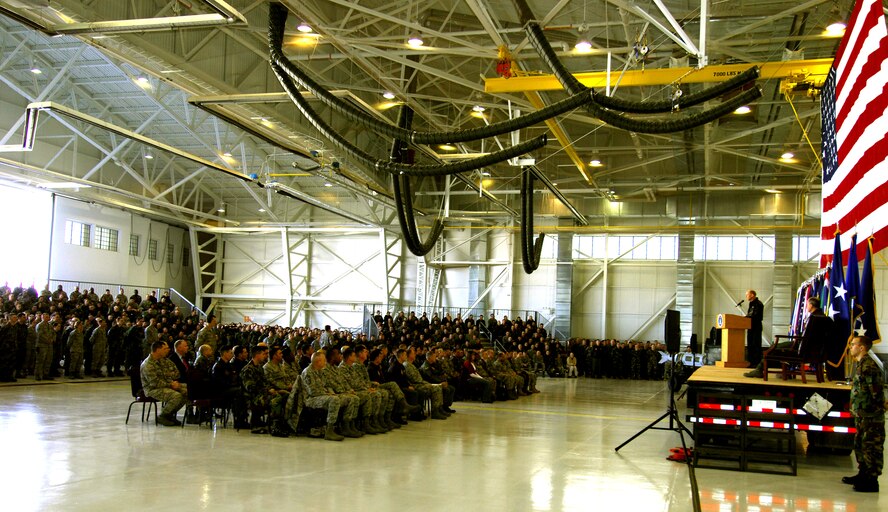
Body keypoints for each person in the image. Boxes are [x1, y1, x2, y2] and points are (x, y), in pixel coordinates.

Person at [745, 297, 828, 378]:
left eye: (807, 304)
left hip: (803, 347)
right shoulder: (824, 318)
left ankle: (759, 370)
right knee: (776, 348)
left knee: (774, 348)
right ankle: (782, 371)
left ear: (811, 305)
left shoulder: (813, 318)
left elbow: (806, 336)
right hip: (813, 349)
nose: (806, 307)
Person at [843, 336, 885, 492]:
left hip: (871, 416)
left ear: (862, 348)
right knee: (860, 445)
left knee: (871, 447)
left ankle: (872, 481)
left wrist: (875, 411)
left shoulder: (869, 367)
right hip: (862, 414)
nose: (850, 347)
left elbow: (877, 393)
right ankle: (863, 474)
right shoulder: (861, 365)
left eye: (853, 345)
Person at [301, 351, 350, 441]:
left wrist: (331, 392)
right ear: (318, 361)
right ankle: (329, 431)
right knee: (334, 400)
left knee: (345, 399)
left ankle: (343, 426)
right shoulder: (308, 372)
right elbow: (313, 391)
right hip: (311, 399)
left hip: (321, 396)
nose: (325, 362)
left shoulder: (320, 371)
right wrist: (328, 393)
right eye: (324, 360)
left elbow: (326, 385)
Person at [140, 340, 187, 426]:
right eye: (165, 349)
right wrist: (170, 384)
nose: (168, 350)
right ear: (158, 350)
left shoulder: (164, 360)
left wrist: (172, 382)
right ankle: (163, 416)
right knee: (176, 396)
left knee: (188, 390)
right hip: (152, 389)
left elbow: (177, 373)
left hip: (167, 385)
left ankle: (170, 414)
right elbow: (154, 383)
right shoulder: (148, 364)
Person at [745, 289, 764, 368]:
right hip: (750, 327)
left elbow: (755, 316)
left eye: (747, 294)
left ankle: (756, 363)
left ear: (752, 295)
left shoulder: (758, 304)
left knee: (755, 344)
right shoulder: (751, 304)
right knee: (750, 345)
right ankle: (751, 362)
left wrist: (746, 318)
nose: (746, 296)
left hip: (756, 327)